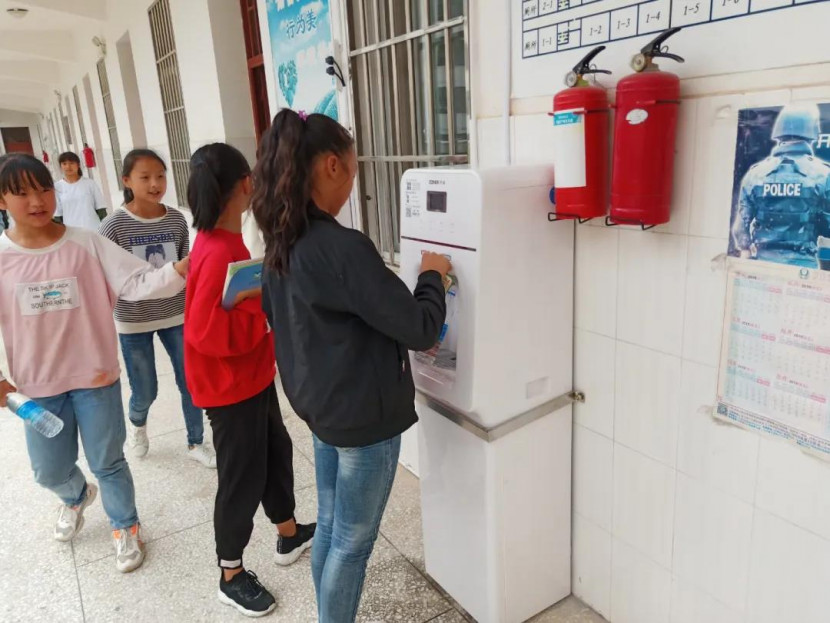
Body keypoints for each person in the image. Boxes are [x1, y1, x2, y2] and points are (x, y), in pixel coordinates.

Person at [252, 110, 450, 622]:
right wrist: (432, 275)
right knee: (352, 544)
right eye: (354, 171)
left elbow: (280, 315)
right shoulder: (342, 248)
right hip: (364, 421)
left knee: (335, 525)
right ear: (333, 165)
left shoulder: (281, 240)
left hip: (321, 411)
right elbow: (420, 327)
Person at [0, 153, 189, 572]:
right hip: (37, 387)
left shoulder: (85, 242)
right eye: (22, 193)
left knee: (109, 461)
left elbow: (136, 281)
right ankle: (74, 495)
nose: (37, 200)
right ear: (2, 200)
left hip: (95, 375)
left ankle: (126, 525)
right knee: (47, 470)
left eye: (44, 189)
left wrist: (180, 269)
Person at [184, 143, 314, 617]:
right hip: (228, 387)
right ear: (244, 184)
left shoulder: (224, 240)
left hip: (251, 378)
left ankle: (288, 531)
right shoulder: (218, 250)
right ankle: (231, 572)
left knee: (275, 453)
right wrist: (265, 316)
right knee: (241, 478)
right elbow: (203, 331)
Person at [99, 149, 214, 468]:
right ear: (126, 181)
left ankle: (196, 442)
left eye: (160, 176)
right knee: (145, 389)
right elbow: (109, 277)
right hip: (133, 321)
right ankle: (138, 425)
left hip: (176, 314)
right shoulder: (113, 226)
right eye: (145, 177)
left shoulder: (176, 219)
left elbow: (185, 267)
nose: (155, 183)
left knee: (189, 381)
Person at [733, 103, 830, 268]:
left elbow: (740, 228)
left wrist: (746, 249)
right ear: (811, 132)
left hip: (762, 265)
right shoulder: (823, 174)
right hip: (803, 269)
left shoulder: (756, 174)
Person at [54, 151, 108, 230]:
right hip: (71, 233)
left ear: (78, 165)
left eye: (71, 163)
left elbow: (101, 210)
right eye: (64, 164)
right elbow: (58, 216)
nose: (68, 167)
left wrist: (105, 229)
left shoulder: (90, 184)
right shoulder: (57, 187)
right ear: (61, 166)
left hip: (94, 230)